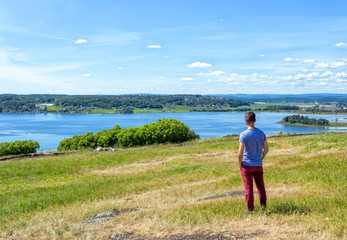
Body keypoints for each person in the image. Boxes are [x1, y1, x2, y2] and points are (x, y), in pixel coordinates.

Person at [238, 112, 269, 213]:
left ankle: (250, 210)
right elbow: (266, 149)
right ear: (255, 120)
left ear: (245, 121)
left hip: (247, 165)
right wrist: (261, 157)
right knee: (261, 187)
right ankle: (263, 207)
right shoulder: (261, 133)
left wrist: (240, 163)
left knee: (248, 188)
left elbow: (240, 152)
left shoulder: (244, 135)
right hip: (258, 164)